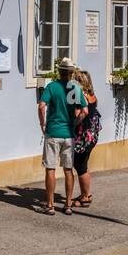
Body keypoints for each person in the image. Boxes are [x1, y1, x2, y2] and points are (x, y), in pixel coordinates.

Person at [37, 56, 86, 215]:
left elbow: (41, 106)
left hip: (53, 132)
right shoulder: (75, 88)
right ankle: (68, 205)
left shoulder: (52, 86)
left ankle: (50, 205)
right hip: (68, 134)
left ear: (59, 71)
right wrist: (75, 123)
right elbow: (84, 111)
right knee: (68, 169)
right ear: (71, 72)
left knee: (50, 168)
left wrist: (42, 124)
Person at [72, 70, 101, 207]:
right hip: (91, 135)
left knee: (80, 165)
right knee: (83, 164)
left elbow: (80, 113)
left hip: (82, 137)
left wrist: (73, 124)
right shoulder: (91, 94)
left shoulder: (80, 96)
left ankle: (85, 197)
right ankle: (86, 193)